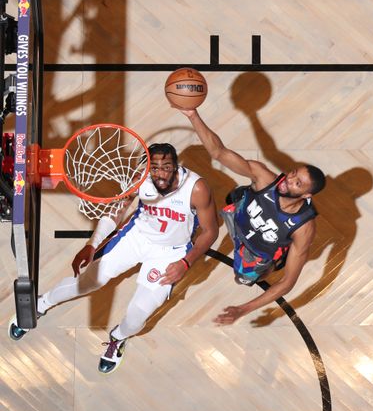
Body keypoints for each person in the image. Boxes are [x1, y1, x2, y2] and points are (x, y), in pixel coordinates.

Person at [8, 143, 219, 374]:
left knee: (139, 315)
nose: (160, 173)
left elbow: (211, 232)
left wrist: (185, 262)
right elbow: (117, 210)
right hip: (136, 237)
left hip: (171, 252)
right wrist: (92, 244)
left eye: (166, 167)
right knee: (87, 281)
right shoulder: (141, 177)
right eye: (154, 168)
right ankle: (40, 304)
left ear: (176, 166)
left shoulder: (196, 189)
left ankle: (118, 338)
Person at [178, 107, 326, 325]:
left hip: (256, 252)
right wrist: (193, 114)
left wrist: (243, 309)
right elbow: (219, 152)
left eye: (297, 183)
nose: (289, 179)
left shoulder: (303, 228)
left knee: (244, 278)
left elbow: (287, 283)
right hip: (237, 218)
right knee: (229, 203)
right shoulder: (264, 177)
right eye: (293, 173)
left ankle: (269, 265)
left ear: (306, 195)